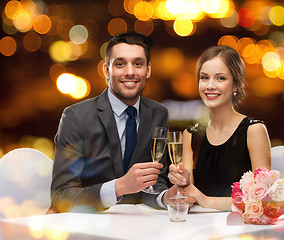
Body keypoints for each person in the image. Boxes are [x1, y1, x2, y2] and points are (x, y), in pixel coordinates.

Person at [50, 31, 174, 213]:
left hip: (143, 225)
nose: (130, 72)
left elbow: (155, 181)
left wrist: (165, 197)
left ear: (148, 70)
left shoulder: (159, 113)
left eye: (138, 64)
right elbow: (61, 195)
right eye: (120, 64)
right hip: (91, 226)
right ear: (107, 70)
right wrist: (118, 187)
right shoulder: (76, 116)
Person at [168, 45, 271, 211]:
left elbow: (264, 200)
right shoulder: (191, 134)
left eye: (220, 78)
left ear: (236, 85)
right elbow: (189, 197)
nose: (210, 85)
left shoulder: (254, 130)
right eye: (204, 78)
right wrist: (183, 183)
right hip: (201, 230)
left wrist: (206, 200)